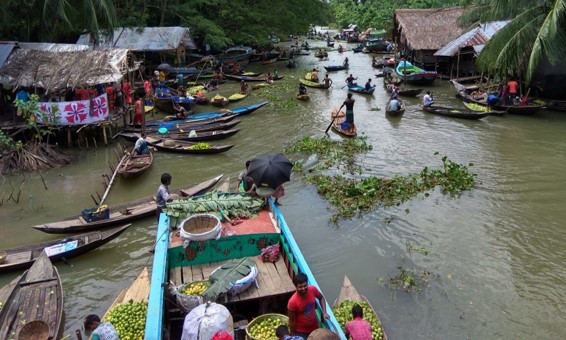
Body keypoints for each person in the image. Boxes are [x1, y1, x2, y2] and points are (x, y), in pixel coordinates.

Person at [288, 273, 329, 339]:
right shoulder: (292, 302)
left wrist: (324, 312)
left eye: (305, 285)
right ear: (296, 287)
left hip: (315, 327)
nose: (303, 288)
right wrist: (293, 335)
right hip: (301, 332)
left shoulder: (313, 289)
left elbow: (321, 298)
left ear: (307, 284)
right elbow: (292, 320)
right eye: (300, 287)